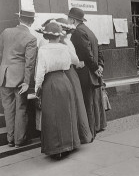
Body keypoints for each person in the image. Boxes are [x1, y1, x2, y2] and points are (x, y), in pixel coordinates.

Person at [35, 22, 80, 159]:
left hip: (50, 83)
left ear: (47, 35)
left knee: (52, 116)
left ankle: (56, 148)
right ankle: (68, 145)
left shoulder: (43, 50)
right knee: (66, 113)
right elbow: (70, 63)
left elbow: (40, 71)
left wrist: (38, 88)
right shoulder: (64, 48)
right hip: (64, 80)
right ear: (59, 36)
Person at [0, 10, 37, 148]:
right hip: (20, 79)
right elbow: (30, 62)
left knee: (8, 109)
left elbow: (0, 52)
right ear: (31, 22)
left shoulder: (5, 32)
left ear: (19, 19)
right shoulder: (31, 38)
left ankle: (10, 139)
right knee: (20, 108)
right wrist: (27, 82)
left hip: (4, 76)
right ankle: (19, 140)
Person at [68, 7, 106, 138]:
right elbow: (98, 49)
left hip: (85, 73)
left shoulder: (78, 32)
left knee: (86, 103)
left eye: (69, 18)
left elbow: (86, 53)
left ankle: (90, 133)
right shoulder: (89, 31)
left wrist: (95, 67)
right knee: (91, 102)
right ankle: (94, 129)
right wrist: (100, 65)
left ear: (73, 19)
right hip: (93, 72)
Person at [55, 18, 93, 143]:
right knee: (77, 101)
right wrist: (79, 63)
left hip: (57, 76)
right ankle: (82, 135)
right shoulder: (67, 42)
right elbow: (75, 59)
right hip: (70, 73)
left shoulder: (49, 43)